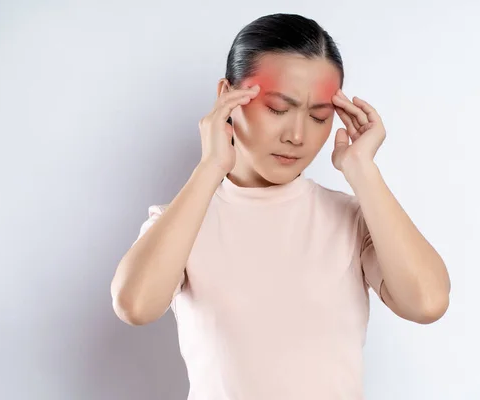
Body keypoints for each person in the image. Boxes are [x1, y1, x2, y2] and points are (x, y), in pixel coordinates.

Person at [110, 13, 451, 399]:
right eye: (277, 108)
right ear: (227, 96)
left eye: (319, 116)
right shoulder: (184, 221)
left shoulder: (353, 220)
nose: (297, 135)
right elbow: (135, 305)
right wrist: (210, 168)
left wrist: (363, 171)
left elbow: (428, 303)